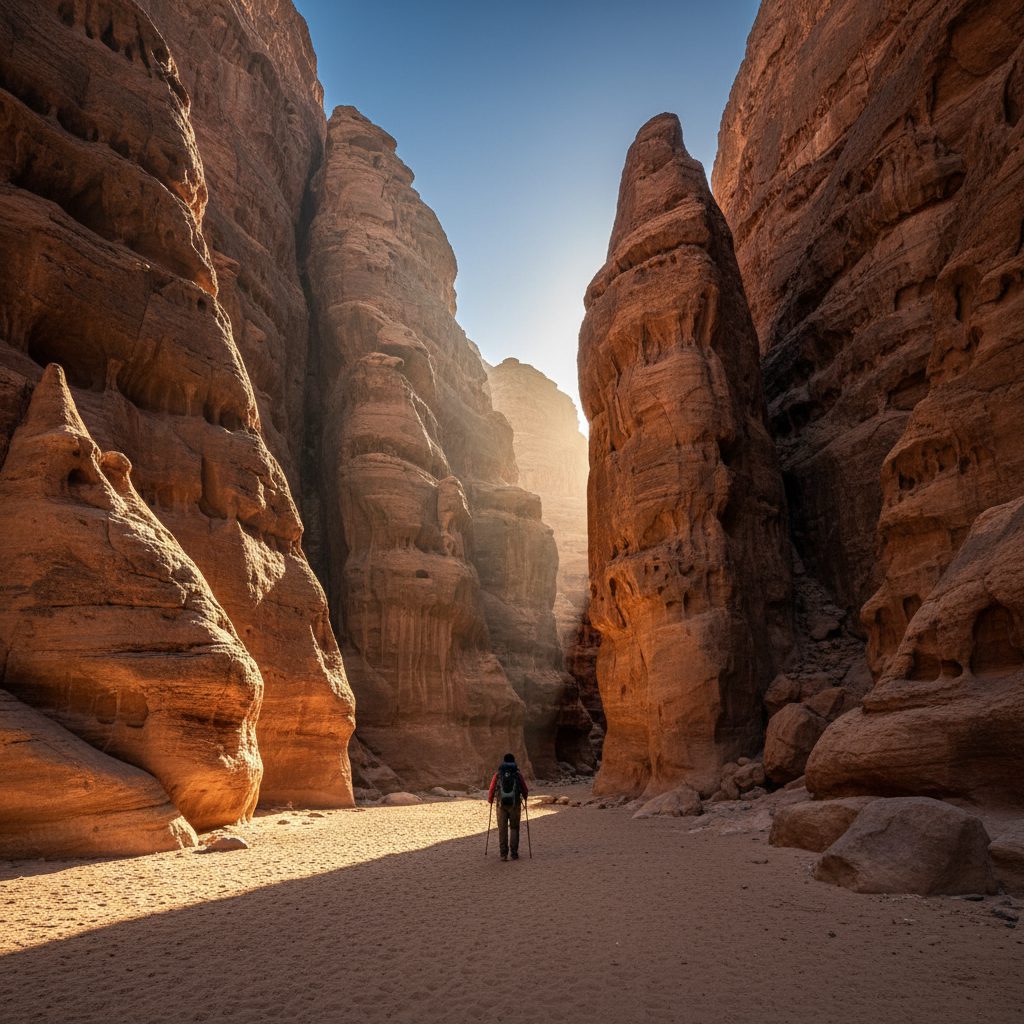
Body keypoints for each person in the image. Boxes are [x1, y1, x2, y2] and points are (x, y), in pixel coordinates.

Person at [488, 753, 529, 861]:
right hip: (515, 805)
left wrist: (490, 799)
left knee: (502, 829)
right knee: (514, 828)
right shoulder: (517, 774)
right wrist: (525, 797)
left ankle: (503, 854)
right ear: (513, 761)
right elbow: (525, 789)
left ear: (504, 761)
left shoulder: (498, 774)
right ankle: (514, 853)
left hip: (501, 805)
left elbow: (492, 788)